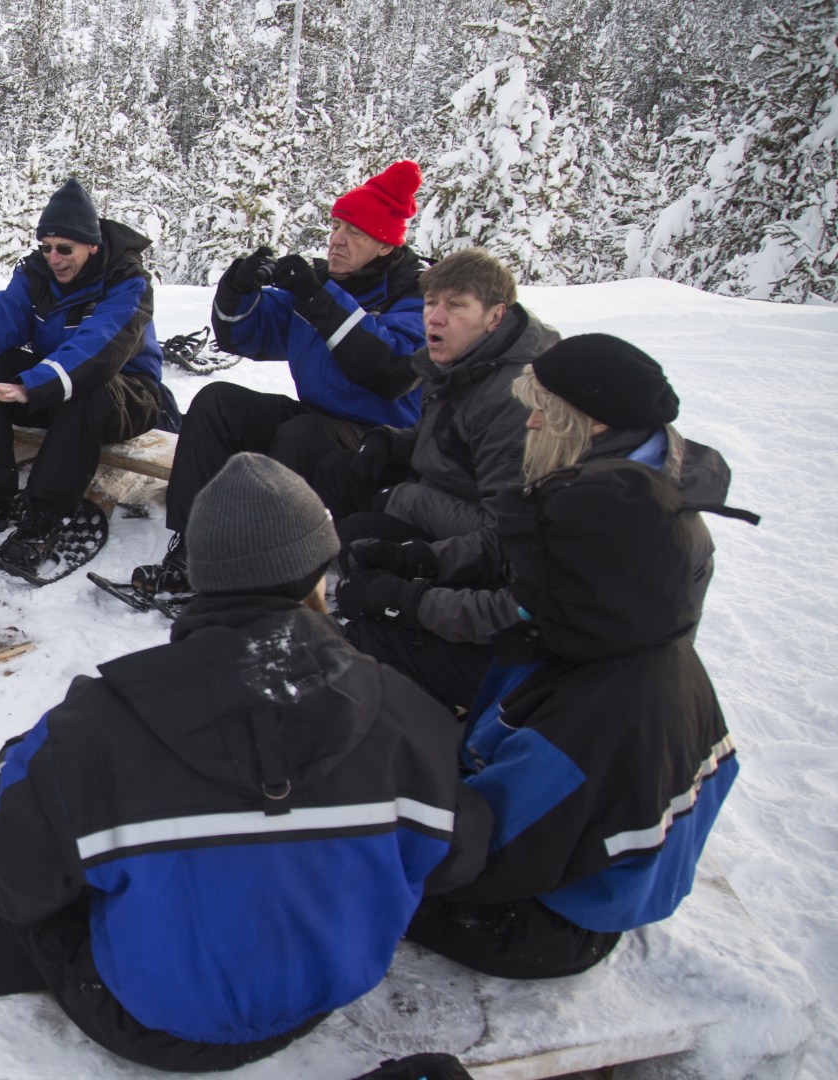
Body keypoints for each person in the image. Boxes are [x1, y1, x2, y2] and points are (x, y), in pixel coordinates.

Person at [0, 452, 488, 1071]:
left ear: (202, 576)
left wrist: (26, 778)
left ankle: (21, 1036)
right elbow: (456, 855)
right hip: (321, 996)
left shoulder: (97, 727)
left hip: (149, 1021)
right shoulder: (400, 707)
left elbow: (12, 879)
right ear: (317, 576)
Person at [403, 457, 745, 979]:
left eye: (538, 564)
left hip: (548, 920)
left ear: (588, 576)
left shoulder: (589, 722)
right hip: (593, 873)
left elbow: (474, 859)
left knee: (334, 861)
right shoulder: (643, 638)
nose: (518, 576)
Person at [340, 334, 732, 711]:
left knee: (384, 633)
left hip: (586, 690)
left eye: (544, 410)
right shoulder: (609, 465)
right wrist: (423, 559)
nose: (531, 422)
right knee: (378, 545)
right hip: (565, 643)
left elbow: (519, 615)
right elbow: (518, 539)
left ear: (593, 421)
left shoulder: (622, 513)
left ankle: (440, 752)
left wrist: (405, 603)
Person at [131, 161, 428, 598]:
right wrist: (238, 288)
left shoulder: (415, 294)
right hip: (318, 415)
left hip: (379, 435)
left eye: (356, 234)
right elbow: (244, 334)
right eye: (337, 227)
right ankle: (195, 550)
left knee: (300, 435)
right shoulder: (323, 284)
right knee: (217, 403)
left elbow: (389, 373)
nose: (337, 241)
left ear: (386, 246)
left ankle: (262, 570)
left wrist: (317, 296)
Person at [0, 178, 169, 573]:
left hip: (126, 394)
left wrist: (33, 386)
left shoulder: (126, 281)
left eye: (65, 249)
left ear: (92, 246)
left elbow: (99, 350)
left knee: (89, 390)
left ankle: (44, 517)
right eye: (47, 248)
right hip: (55, 386)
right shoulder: (36, 275)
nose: (54, 257)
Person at [317, 247, 561, 546]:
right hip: (440, 490)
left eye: (456, 305)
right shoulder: (456, 360)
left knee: (363, 534)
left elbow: (504, 531)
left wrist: (404, 499)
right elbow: (445, 435)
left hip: (483, 544)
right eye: (431, 303)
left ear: (495, 317)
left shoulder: (514, 396)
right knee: (338, 470)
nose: (435, 318)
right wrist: (392, 441)